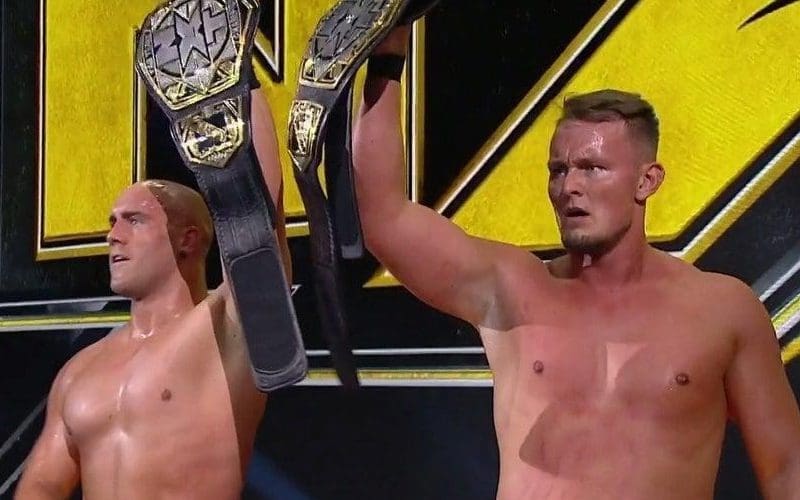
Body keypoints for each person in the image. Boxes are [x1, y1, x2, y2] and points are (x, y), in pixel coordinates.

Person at [352, 27, 800, 499]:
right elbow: (383, 217)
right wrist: (387, 57)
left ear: (647, 181)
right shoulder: (511, 290)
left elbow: (787, 466)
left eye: (592, 168)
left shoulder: (723, 310)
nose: (569, 187)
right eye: (559, 170)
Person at [15, 84, 290, 499]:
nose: (113, 236)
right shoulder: (79, 371)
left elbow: (259, 232)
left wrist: (244, 87)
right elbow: (43, 484)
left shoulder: (222, 333)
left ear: (187, 239)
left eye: (134, 220)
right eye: (112, 223)